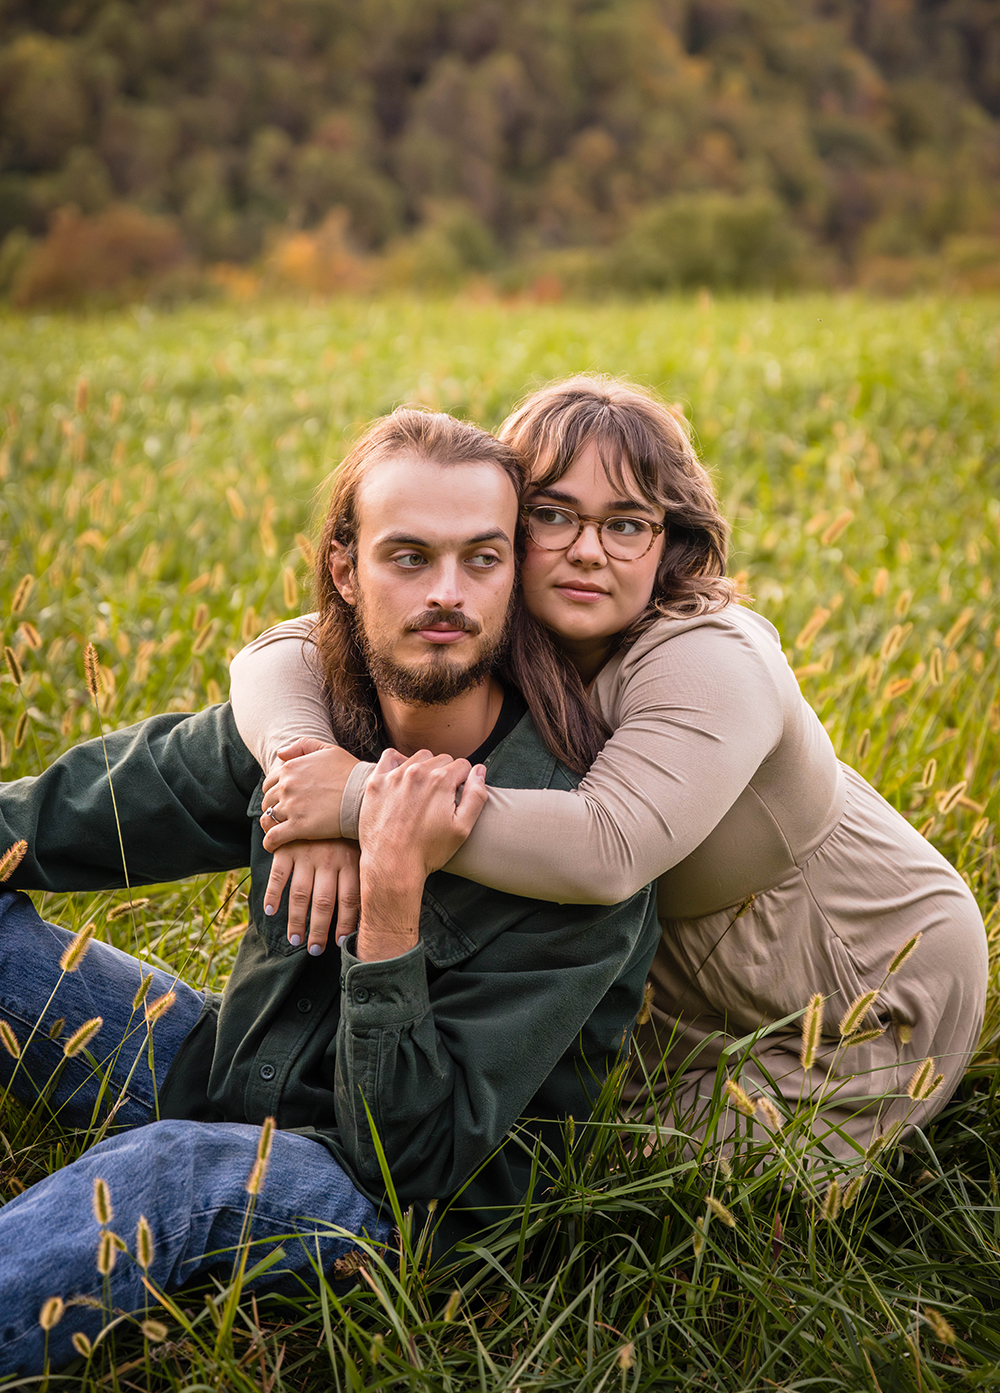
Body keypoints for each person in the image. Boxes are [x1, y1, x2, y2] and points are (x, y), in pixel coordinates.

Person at [0, 407, 658, 1377]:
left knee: (170, 1170)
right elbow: (52, 820)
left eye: (482, 559)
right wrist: (334, 792)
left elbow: (412, 1162)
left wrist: (389, 895)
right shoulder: (307, 735)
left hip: (389, 1208)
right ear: (344, 569)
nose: (448, 593)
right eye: (407, 556)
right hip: (226, 1074)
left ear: (513, 575)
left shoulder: (573, 842)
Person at [231, 375, 988, 1163]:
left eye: (627, 524)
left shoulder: (710, 655)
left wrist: (356, 801)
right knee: (533, 1153)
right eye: (554, 515)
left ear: (671, 544)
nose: (587, 551)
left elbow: (608, 848)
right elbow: (285, 651)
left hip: (854, 988)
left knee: (639, 1210)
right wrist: (303, 768)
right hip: (670, 999)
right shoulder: (497, 610)